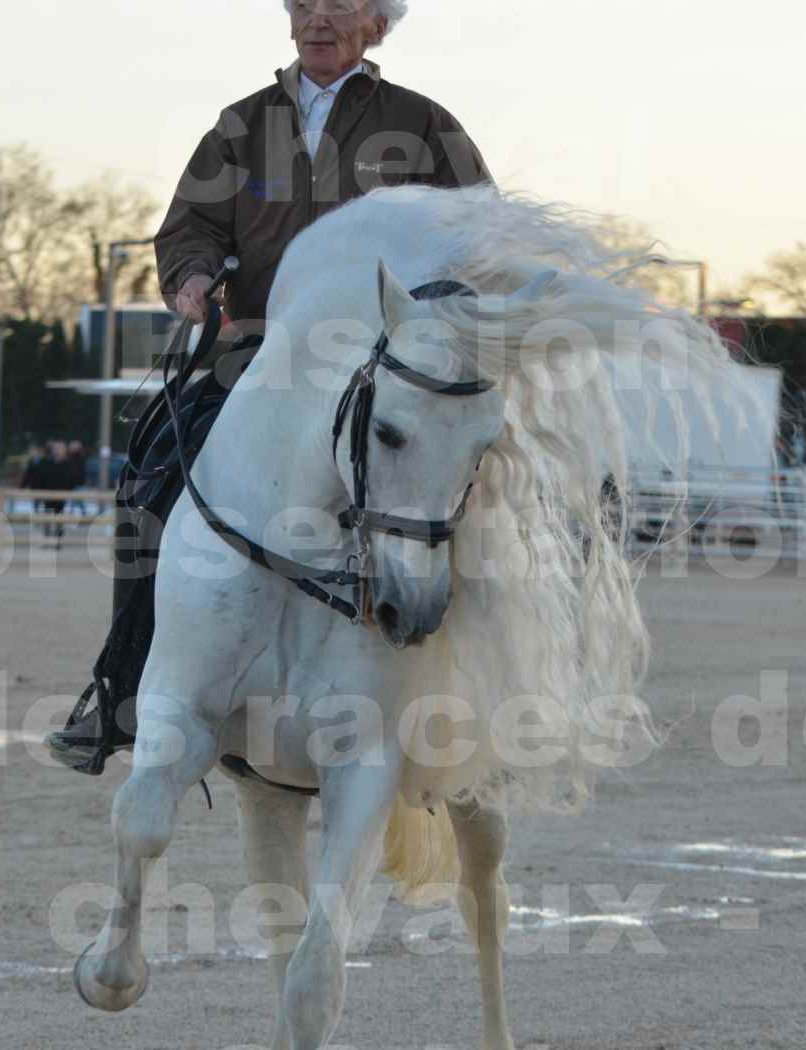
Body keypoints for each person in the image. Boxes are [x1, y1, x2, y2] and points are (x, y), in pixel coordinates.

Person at [46, 0, 491, 772]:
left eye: (339, 6)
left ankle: (486, 706)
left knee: (483, 497)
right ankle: (119, 691)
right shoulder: (240, 125)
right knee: (148, 479)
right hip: (253, 356)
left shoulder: (424, 125)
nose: (318, 19)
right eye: (303, 5)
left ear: (377, 26)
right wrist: (190, 282)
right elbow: (190, 225)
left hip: (383, 366)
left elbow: (481, 232)